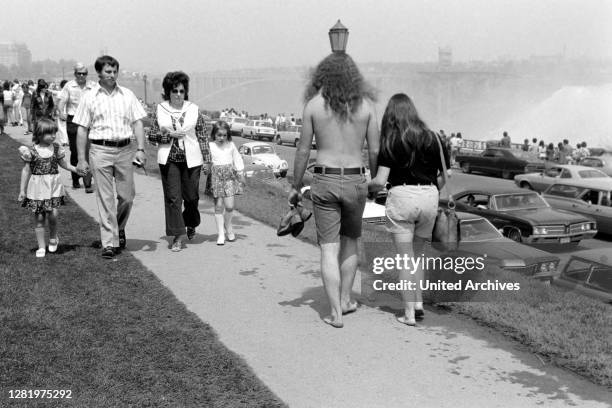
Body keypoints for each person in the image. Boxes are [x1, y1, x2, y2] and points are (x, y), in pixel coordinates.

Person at [289, 52, 380, 328]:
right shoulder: (365, 107)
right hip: (355, 180)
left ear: (322, 75)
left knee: (329, 248)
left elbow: (304, 149)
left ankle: (335, 314)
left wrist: (295, 185)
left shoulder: (314, 106)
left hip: (325, 179)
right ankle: (345, 300)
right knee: (350, 242)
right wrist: (374, 181)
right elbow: (375, 149)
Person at [369, 93, 450, 326]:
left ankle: (408, 314)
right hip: (429, 196)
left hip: (402, 196)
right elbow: (446, 175)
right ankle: (418, 303)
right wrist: (432, 190)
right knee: (419, 256)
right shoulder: (434, 138)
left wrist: (366, 186)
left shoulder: (391, 141)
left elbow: (380, 180)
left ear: (391, 116)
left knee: (405, 259)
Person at [73, 55, 147, 259]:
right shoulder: (89, 97)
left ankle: (119, 228)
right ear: (99, 73)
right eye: (108, 71)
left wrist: (140, 149)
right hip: (100, 150)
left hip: (125, 150)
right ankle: (109, 243)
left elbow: (138, 123)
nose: (112, 75)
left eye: (115, 71)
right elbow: (81, 129)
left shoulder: (127, 95)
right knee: (105, 199)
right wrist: (81, 158)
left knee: (127, 197)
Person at [147, 71, 211, 252]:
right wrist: (167, 136)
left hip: (192, 160)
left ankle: (191, 222)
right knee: (173, 198)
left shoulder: (193, 109)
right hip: (169, 160)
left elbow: (202, 136)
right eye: (174, 91)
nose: (178, 95)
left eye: (182, 91)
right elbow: (151, 137)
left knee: (191, 197)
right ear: (168, 92)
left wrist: (207, 160)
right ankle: (177, 235)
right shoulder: (160, 109)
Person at [17, 118, 79, 257]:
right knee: (39, 217)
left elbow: (64, 164)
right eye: (49, 133)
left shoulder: (56, 148)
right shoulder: (31, 151)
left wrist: (76, 169)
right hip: (37, 189)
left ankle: (53, 237)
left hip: (53, 187)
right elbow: (26, 171)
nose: (53, 136)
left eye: (54, 132)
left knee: (53, 214)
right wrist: (22, 190)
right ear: (39, 134)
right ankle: (41, 247)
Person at [57, 63, 95, 191]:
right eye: (79, 73)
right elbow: (61, 101)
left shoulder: (93, 86)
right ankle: (75, 177)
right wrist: (61, 112)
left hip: (89, 121)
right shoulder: (69, 86)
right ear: (75, 74)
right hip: (73, 121)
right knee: (75, 151)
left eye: (84, 73)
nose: (81, 76)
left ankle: (88, 182)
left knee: (88, 150)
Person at [208, 121, 244, 245]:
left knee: (229, 206)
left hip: (229, 177)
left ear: (227, 135)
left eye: (224, 135)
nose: (221, 138)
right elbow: (205, 160)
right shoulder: (210, 146)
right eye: (219, 135)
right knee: (218, 206)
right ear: (214, 135)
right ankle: (221, 234)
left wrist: (240, 172)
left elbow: (237, 159)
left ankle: (228, 227)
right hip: (216, 178)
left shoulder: (231, 145)